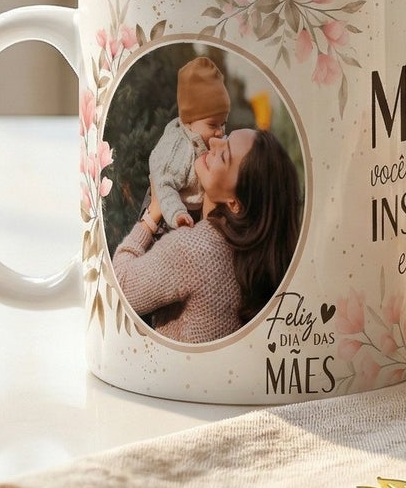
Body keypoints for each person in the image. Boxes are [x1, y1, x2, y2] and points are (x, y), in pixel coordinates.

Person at [112, 128, 303, 342]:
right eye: (225, 137)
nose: (213, 141)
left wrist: (152, 214)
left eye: (224, 155)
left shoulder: (194, 249)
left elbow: (119, 290)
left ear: (235, 203)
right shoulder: (257, 260)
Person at [149, 56, 231, 230]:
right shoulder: (179, 147)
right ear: (189, 121)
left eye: (223, 123)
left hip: (195, 210)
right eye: (213, 125)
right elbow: (164, 184)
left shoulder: (212, 140)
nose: (220, 132)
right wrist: (178, 214)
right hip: (168, 209)